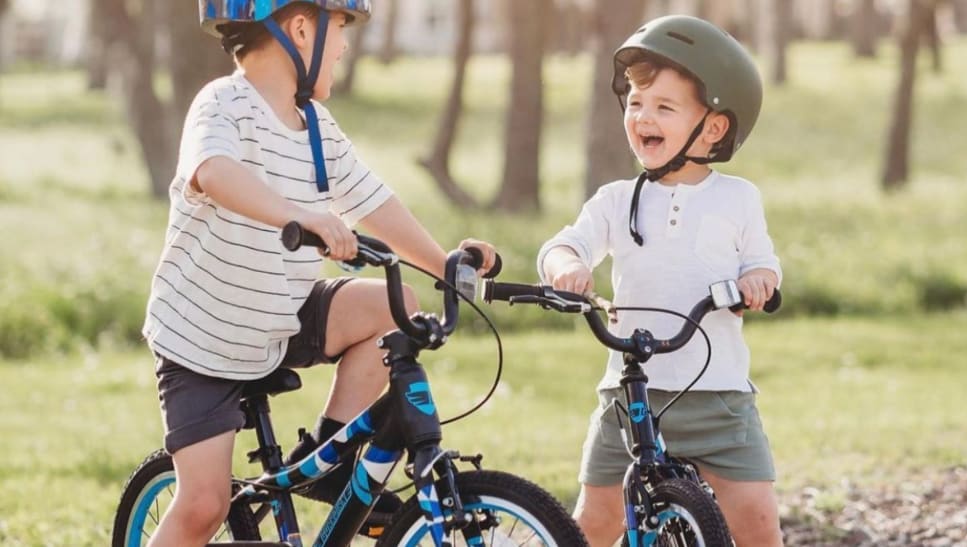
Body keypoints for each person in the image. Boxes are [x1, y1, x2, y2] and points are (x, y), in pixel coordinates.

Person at [142, 1, 497, 545]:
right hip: (204, 340)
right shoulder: (223, 103)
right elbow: (213, 171)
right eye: (342, 30)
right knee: (204, 505)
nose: (346, 45)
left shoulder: (315, 127)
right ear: (301, 29)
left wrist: (444, 265)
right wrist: (302, 215)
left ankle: (331, 460)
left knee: (391, 308)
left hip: (282, 313)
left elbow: (375, 204)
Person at [537, 14, 784, 547]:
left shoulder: (737, 198)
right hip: (631, 393)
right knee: (594, 521)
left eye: (664, 107)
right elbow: (563, 244)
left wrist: (758, 282)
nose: (642, 116)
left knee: (759, 523)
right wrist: (567, 267)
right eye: (635, 104)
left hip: (719, 395)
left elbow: (763, 262)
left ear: (714, 127)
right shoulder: (616, 200)